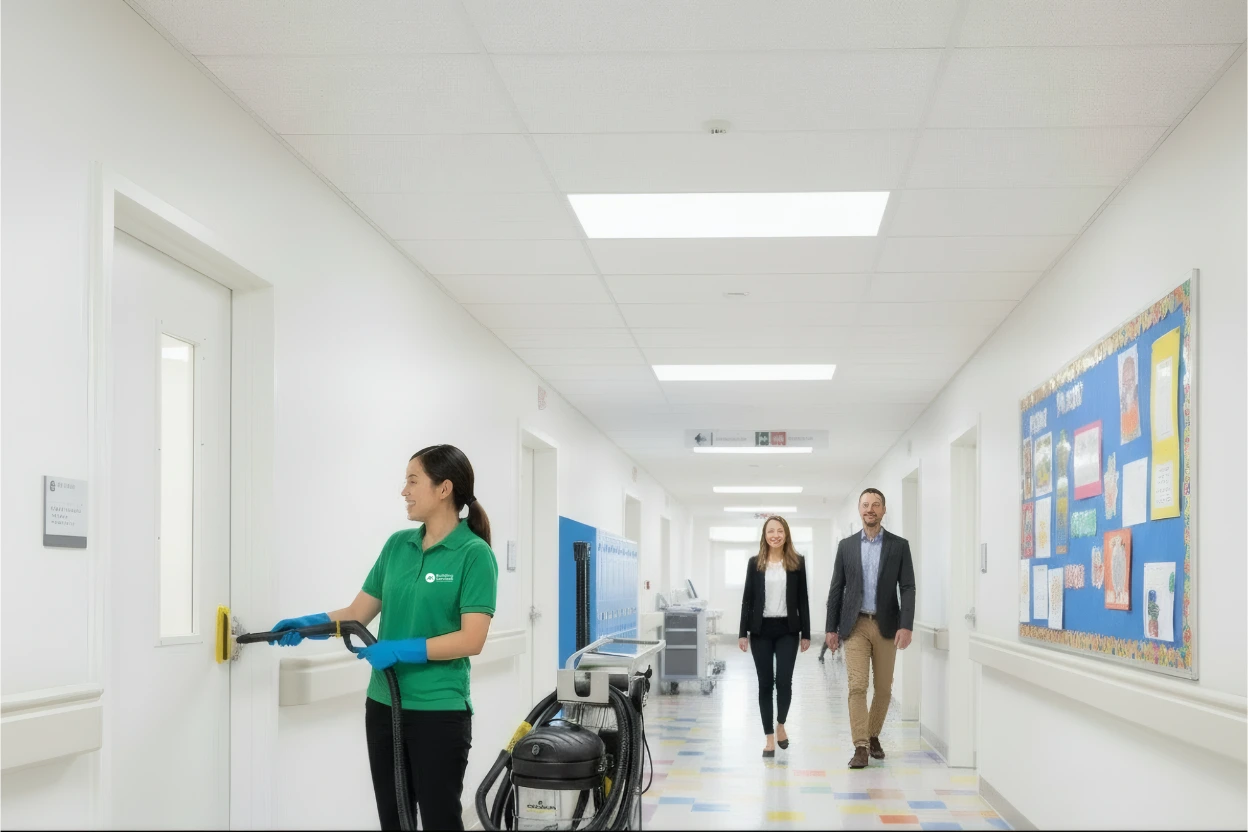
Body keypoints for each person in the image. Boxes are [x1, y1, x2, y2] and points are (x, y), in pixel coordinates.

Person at [270, 445, 498, 830]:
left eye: (412, 480)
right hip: (383, 706)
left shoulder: (474, 554)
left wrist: (402, 650)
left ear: (444, 488)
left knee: (440, 819)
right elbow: (357, 614)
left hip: (439, 710)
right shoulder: (398, 546)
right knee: (394, 819)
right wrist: (305, 625)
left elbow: (471, 639)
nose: (403, 491)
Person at [824, 488, 915, 769]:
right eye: (865, 505)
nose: (870, 509)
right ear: (860, 510)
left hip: (888, 624)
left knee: (884, 689)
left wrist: (907, 625)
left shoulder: (899, 546)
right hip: (856, 624)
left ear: (884, 510)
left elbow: (908, 587)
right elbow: (837, 589)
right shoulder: (846, 546)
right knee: (857, 686)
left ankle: (873, 734)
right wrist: (831, 628)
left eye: (876, 505)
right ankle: (861, 746)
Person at [737, 516, 811, 757]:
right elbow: (747, 599)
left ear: (786, 534)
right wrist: (742, 633)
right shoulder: (754, 563)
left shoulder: (797, 562)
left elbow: (803, 600)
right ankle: (769, 737)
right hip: (761, 630)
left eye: (780, 531)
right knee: (765, 684)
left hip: (788, 630)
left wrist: (806, 633)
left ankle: (781, 725)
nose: (776, 535)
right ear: (765, 535)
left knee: (784, 682)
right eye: (771, 531)